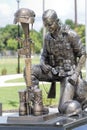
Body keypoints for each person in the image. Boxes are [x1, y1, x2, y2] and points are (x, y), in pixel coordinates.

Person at [24, 9, 86, 115]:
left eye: (50, 24)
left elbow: (83, 54)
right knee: (29, 71)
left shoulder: (70, 35)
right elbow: (43, 55)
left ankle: (82, 99)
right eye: (46, 25)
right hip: (53, 72)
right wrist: (42, 63)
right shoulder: (47, 37)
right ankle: (38, 106)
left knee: (64, 108)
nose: (48, 28)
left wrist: (76, 74)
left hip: (69, 75)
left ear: (57, 21)